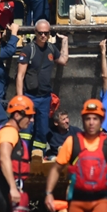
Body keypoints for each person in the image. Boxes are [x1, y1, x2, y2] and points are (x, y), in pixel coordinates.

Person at [16, 19, 68, 153]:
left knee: (42, 131)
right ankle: (24, 156)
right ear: (35, 33)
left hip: (45, 98)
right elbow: (20, 76)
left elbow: (63, 60)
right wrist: (20, 100)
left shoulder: (51, 48)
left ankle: (38, 157)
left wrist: (65, 41)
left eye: (46, 33)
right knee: (26, 130)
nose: (43, 36)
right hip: (29, 97)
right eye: (40, 33)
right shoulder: (28, 50)